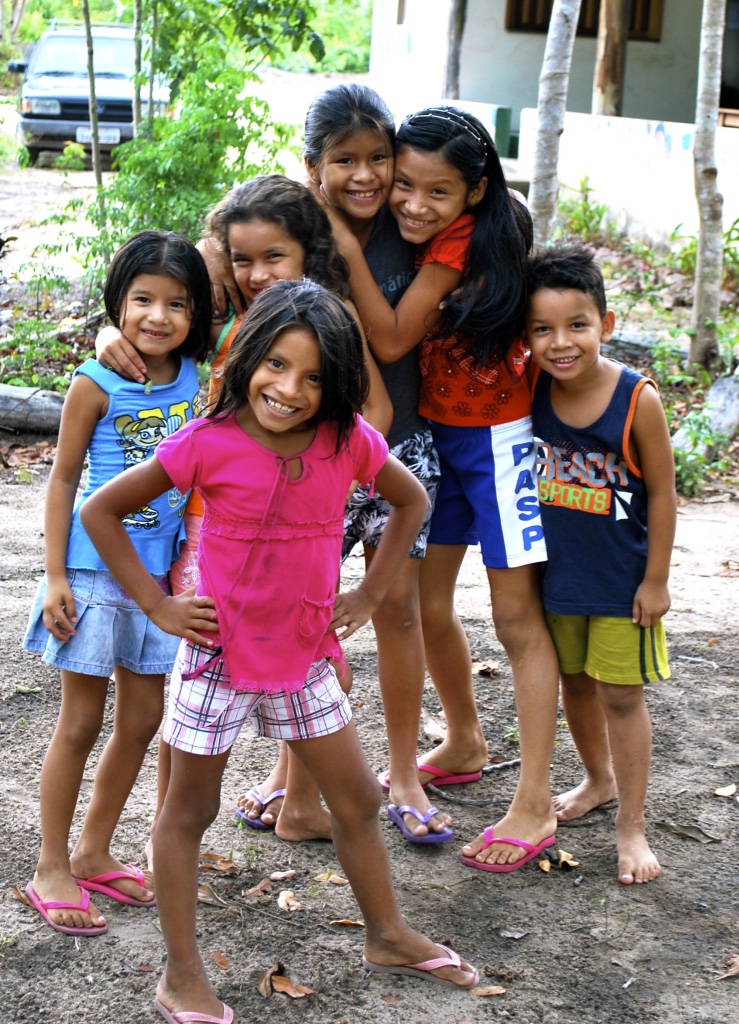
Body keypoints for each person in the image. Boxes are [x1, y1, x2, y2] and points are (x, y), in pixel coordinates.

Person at [80, 281, 480, 1023]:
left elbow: (412, 499)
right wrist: (158, 604)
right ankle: (181, 974)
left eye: (315, 376)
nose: (290, 388)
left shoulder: (348, 441)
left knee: (359, 801)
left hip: (304, 653)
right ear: (248, 360)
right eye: (275, 365)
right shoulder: (209, 442)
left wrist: (366, 595)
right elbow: (100, 509)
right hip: (216, 655)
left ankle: (387, 934)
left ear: (338, 385)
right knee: (187, 809)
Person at [95, 175, 392, 849]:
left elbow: (371, 416)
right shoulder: (221, 315)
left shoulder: (324, 319)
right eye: (242, 257)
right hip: (208, 524)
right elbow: (151, 332)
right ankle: (175, 825)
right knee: (197, 683)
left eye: (273, 257)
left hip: (305, 516)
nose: (256, 272)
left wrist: (326, 456)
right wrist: (106, 340)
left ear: (306, 253)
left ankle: (296, 798)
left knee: (315, 669)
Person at [330, 105, 560, 870]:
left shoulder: (468, 237)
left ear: (475, 188)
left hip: (496, 443)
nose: (413, 203)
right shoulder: (438, 222)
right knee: (429, 607)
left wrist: (342, 250)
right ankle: (463, 738)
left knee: (516, 619)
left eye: (438, 190)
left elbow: (394, 336)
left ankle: (533, 802)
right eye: (407, 184)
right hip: (438, 434)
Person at [236, 85, 450, 843]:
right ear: (313, 166)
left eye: (378, 158)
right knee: (306, 617)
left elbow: (391, 353)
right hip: (312, 460)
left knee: (396, 611)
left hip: (399, 447)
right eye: (345, 161)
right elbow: (218, 252)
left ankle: (404, 770)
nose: (365, 176)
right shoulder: (293, 227)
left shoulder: (415, 222)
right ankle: (292, 779)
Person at [22, 230, 212, 934]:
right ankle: (51, 865)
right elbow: (64, 478)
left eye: (176, 303)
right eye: (141, 300)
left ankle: (95, 850)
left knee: (141, 718)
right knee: (81, 719)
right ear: (117, 303)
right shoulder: (93, 383)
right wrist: (51, 576)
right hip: (91, 569)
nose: (157, 316)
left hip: (159, 574)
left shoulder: (196, 376)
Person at [524, 245, 676, 885]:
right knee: (575, 684)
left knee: (620, 693)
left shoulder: (636, 399)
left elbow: (664, 492)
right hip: (557, 578)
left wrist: (657, 579)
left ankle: (632, 826)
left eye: (577, 325)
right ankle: (597, 780)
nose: (561, 343)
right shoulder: (530, 388)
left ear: (605, 325)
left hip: (621, 582)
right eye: (542, 330)